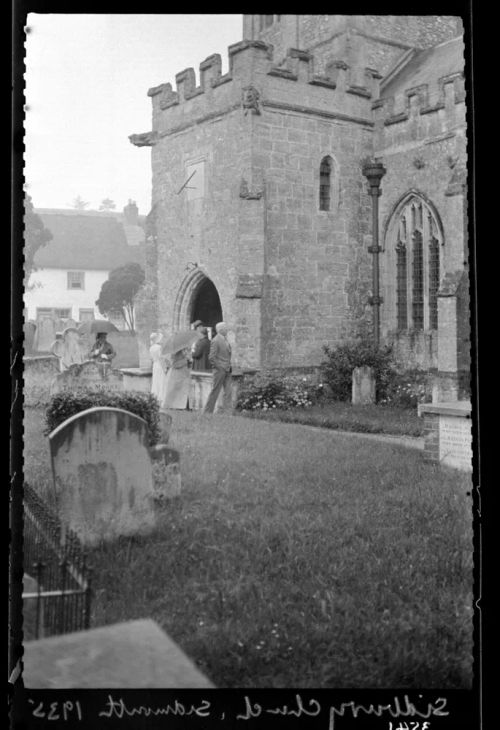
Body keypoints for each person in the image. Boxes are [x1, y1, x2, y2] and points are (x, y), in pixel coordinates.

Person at [203, 322, 233, 414]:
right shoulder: (216, 340)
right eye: (225, 328)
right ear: (221, 330)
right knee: (215, 391)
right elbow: (211, 357)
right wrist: (220, 367)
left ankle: (227, 413)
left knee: (228, 392)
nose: (227, 329)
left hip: (227, 369)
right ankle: (207, 412)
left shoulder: (225, 339)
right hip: (220, 370)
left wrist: (228, 366)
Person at [150, 332, 167, 402]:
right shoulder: (159, 347)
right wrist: (165, 368)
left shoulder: (151, 347)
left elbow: (151, 358)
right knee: (161, 380)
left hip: (155, 364)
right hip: (159, 365)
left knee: (155, 380)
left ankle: (155, 394)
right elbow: (161, 359)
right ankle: (161, 396)